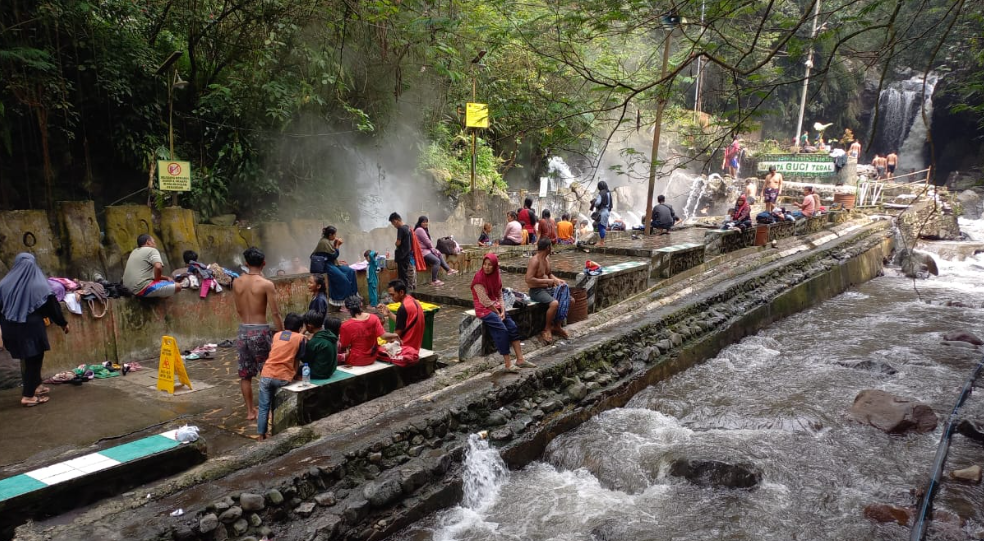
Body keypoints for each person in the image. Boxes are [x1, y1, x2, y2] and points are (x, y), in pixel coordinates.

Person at [0, 253, 69, 407]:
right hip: (30, 328)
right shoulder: (40, 286)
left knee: (28, 359)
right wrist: (63, 323)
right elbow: (52, 307)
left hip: (10, 327)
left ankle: (36, 386)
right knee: (34, 360)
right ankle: (28, 396)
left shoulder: (4, 284)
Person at [233, 246, 283, 421]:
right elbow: (275, 313)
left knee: (245, 375)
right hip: (260, 330)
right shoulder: (266, 284)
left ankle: (249, 411)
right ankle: (267, 411)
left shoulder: (236, 282)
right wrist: (282, 333)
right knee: (267, 372)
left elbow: (238, 308)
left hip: (243, 330)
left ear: (246, 263)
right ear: (264, 263)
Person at [470, 253, 532, 374]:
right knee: (502, 330)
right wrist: (498, 312)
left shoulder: (496, 277)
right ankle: (508, 364)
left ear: (495, 266)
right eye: (485, 264)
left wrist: (503, 310)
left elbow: (499, 295)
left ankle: (520, 359)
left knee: (513, 327)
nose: (487, 267)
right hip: (484, 309)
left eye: (490, 265)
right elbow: (484, 301)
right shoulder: (478, 279)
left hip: (496, 307)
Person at [256, 313, 306, 440]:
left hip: (266, 374)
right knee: (275, 402)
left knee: (263, 406)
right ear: (300, 327)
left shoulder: (277, 335)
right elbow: (298, 359)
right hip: (282, 377)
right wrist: (294, 375)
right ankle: (278, 430)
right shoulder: (301, 338)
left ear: (285, 324)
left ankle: (261, 435)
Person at [525, 237, 569, 343]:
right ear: (548, 247)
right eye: (551, 246)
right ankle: (547, 328)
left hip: (547, 289)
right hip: (536, 291)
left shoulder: (546, 259)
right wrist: (546, 282)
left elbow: (549, 274)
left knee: (568, 299)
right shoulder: (535, 261)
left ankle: (557, 326)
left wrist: (558, 280)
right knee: (554, 304)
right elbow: (528, 279)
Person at [376, 279, 425, 365]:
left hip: (406, 348)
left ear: (401, 292)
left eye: (392, 295)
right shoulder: (413, 301)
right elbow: (405, 323)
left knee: (376, 350)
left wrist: (383, 340)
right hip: (415, 345)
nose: (391, 297)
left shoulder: (403, 308)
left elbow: (395, 336)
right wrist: (389, 313)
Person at [312, 226, 358, 309]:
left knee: (350, 271)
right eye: (334, 234)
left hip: (331, 263)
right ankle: (343, 303)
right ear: (330, 235)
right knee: (343, 279)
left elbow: (331, 254)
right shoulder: (324, 242)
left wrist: (336, 246)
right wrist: (337, 245)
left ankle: (353, 298)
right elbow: (334, 254)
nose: (335, 236)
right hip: (325, 265)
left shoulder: (327, 241)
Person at [338, 295, 384, 366]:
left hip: (355, 360)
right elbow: (382, 334)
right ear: (361, 305)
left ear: (347, 309)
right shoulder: (374, 318)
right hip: (372, 357)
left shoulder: (345, 326)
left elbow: (343, 345)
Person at [414, 216, 458, 286]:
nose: (425, 223)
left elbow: (427, 242)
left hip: (425, 250)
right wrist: (432, 248)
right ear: (420, 223)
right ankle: (434, 280)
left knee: (438, 253)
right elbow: (427, 241)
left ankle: (448, 270)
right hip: (422, 252)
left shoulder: (422, 229)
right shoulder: (420, 230)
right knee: (436, 261)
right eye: (423, 222)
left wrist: (433, 249)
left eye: (426, 222)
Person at [302, 311, 339, 381]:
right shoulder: (329, 334)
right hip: (331, 370)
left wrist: (304, 343)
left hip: (320, 373)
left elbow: (305, 359)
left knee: (299, 369)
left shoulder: (315, 341)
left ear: (309, 326)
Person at [591, 180, 613, 247]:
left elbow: (598, 203)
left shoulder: (601, 193)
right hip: (607, 211)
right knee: (603, 226)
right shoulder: (608, 193)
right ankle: (602, 241)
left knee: (601, 226)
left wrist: (594, 202)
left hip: (602, 211)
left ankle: (601, 242)